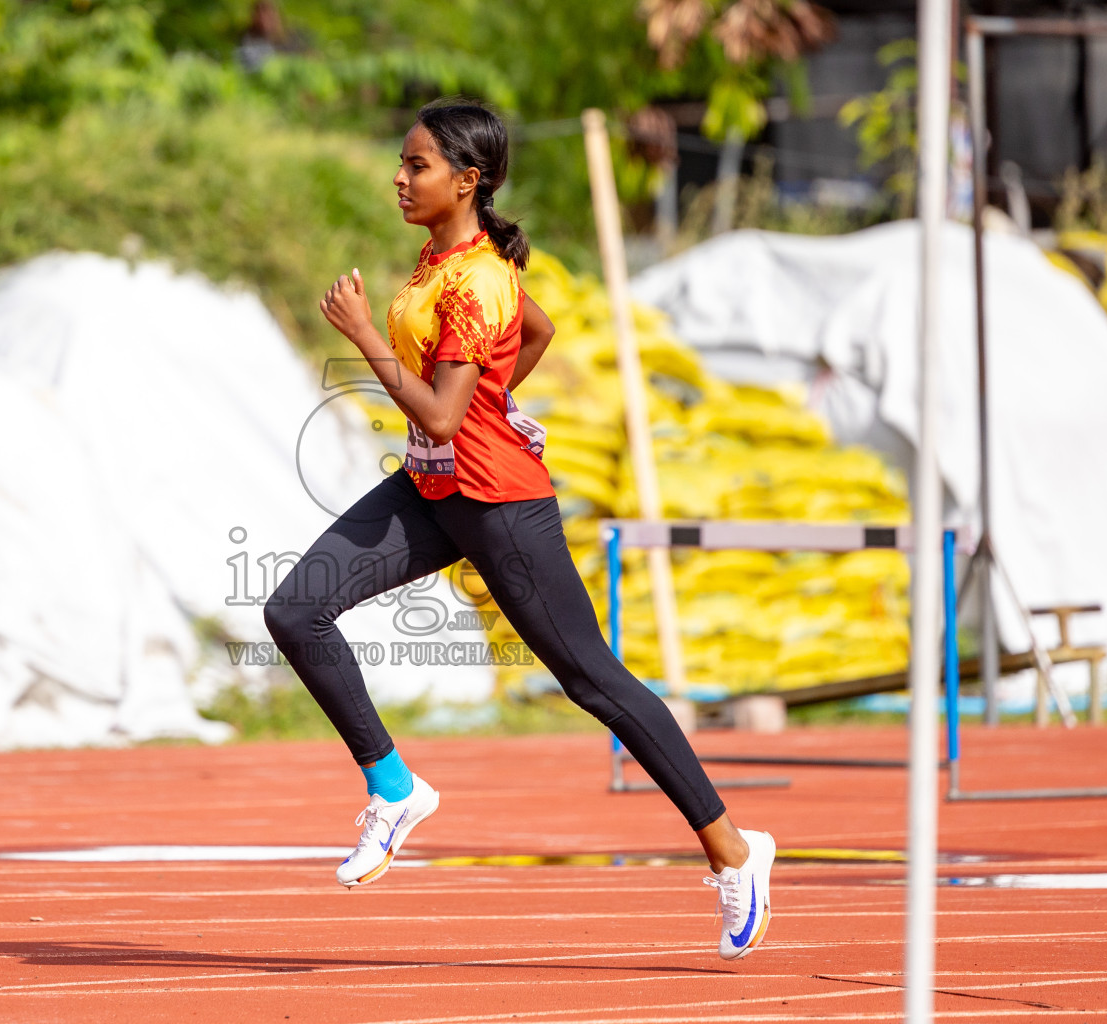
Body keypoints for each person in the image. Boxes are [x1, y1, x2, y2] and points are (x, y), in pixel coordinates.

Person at [263, 101, 776, 961]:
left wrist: (364, 338)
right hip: (433, 490)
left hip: (498, 503)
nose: (399, 176)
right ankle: (395, 788)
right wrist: (498, 399)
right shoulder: (447, 261)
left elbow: (438, 405)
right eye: (401, 161)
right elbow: (535, 332)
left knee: (594, 681)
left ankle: (733, 848)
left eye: (416, 165)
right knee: (294, 610)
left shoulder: (479, 280)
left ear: (465, 180)